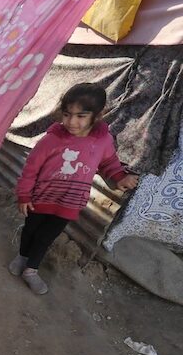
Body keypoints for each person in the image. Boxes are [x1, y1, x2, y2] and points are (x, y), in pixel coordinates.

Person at [10, 83, 139, 294]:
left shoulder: (102, 141)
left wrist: (120, 177)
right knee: (30, 230)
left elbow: (109, 163)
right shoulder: (51, 140)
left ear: (98, 116)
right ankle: (22, 257)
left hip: (69, 202)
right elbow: (30, 169)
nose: (71, 122)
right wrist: (24, 195)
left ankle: (31, 270)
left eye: (81, 116)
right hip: (41, 198)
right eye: (67, 114)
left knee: (46, 237)